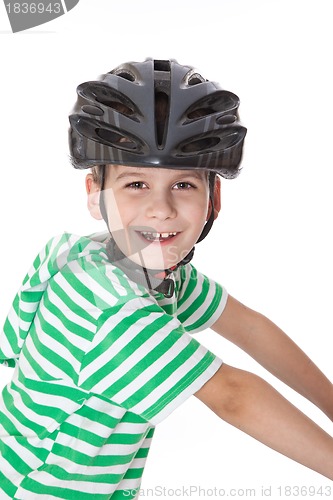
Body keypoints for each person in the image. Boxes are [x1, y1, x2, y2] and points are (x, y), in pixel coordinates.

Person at [0, 58, 332, 499]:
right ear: (94, 195)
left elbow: (250, 327)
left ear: (214, 198)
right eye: (136, 184)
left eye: (184, 185)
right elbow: (234, 395)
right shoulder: (107, 303)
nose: (161, 210)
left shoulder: (139, 265)